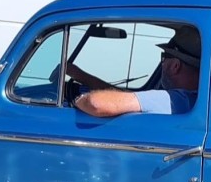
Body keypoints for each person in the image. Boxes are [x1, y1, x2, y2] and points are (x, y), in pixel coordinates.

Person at [68, 27, 200, 117]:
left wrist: (77, 99)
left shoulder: (174, 99)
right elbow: (125, 97)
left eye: (164, 58)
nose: (162, 63)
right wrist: (79, 74)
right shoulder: (196, 100)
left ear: (175, 66)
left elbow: (95, 104)